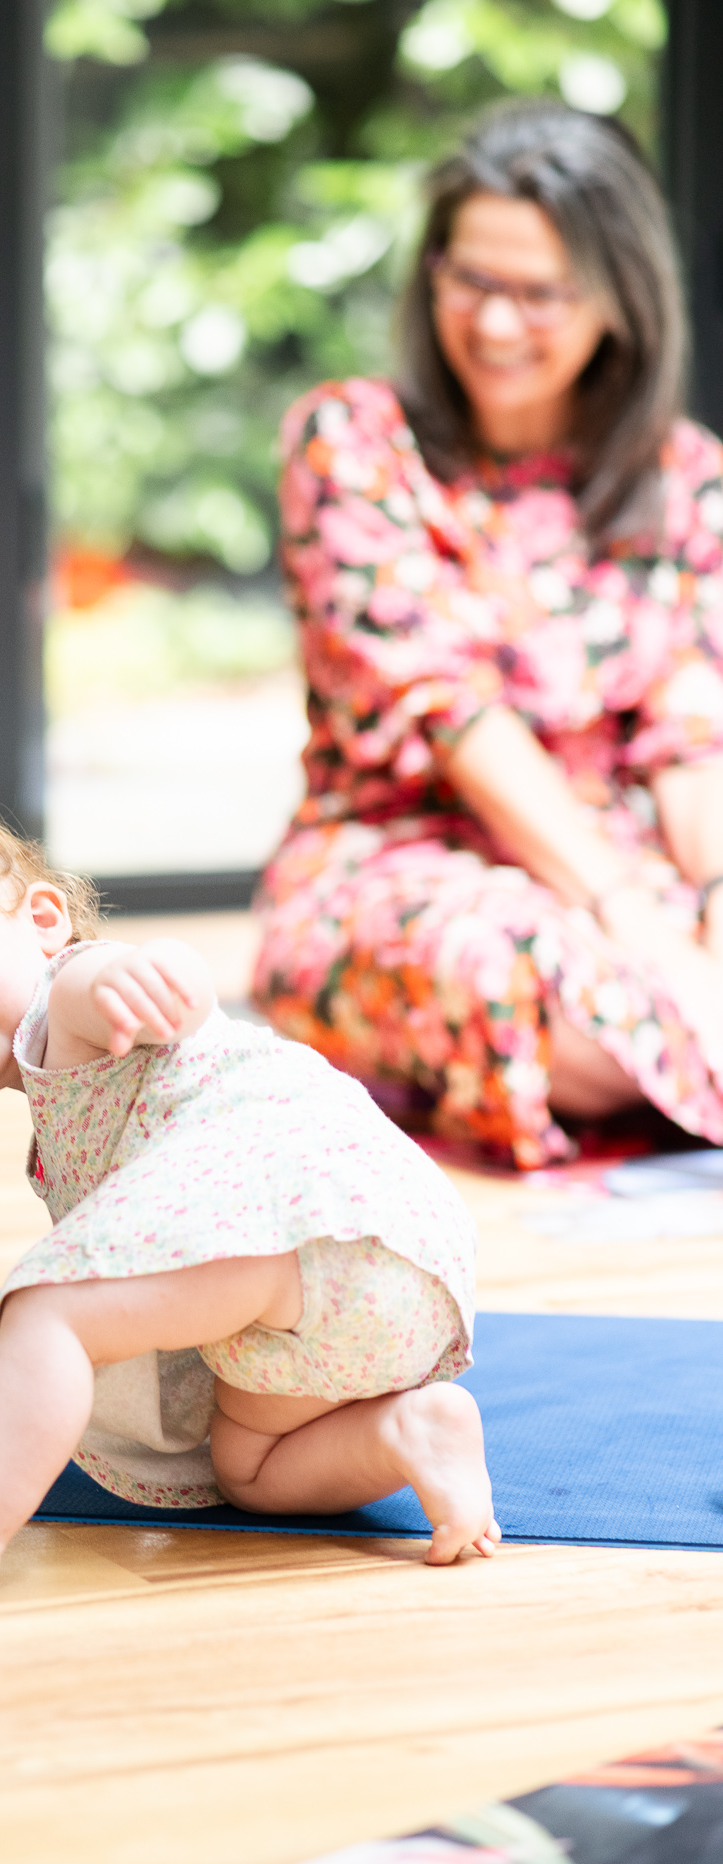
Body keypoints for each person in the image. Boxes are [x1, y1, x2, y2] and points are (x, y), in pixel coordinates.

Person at [0, 803, 498, 1600]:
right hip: (377, 1284)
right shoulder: (56, 1073)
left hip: (297, 1208)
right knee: (248, 1472)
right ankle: (409, 1428)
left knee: (50, 1312)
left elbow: (142, 988)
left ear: (44, 920)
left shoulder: (74, 999)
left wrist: (149, 976)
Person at [256, 99, 723, 1170]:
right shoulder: (352, 440)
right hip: (399, 863)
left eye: (541, 293)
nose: (497, 323)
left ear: (619, 301)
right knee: (525, 973)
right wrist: (636, 925)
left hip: (617, 860)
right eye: (471, 280)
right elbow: (454, 715)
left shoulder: (679, 473)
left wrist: (703, 908)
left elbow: (688, 734)